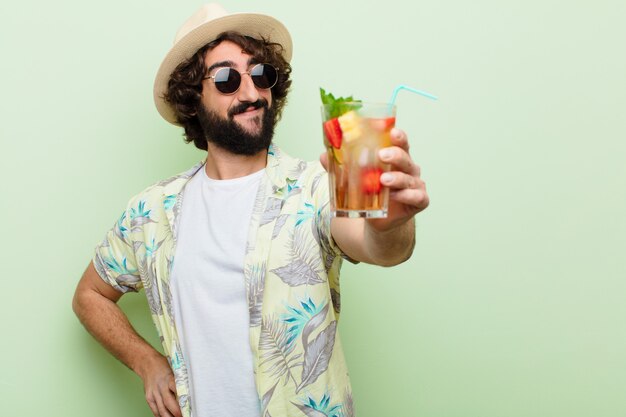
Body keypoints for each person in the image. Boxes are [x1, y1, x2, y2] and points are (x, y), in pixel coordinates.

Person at [71, 3, 429, 417]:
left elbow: (376, 246)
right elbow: (89, 295)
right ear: (192, 99)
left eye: (262, 74)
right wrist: (146, 362)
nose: (251, 92)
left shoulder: (313, 185)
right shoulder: (151, 211)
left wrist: (390, 225)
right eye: (226, 78)